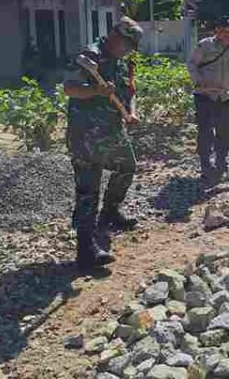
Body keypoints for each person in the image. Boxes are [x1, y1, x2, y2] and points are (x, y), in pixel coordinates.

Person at [63, 16, 143, 271]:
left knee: (127, 167)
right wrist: (95, 91)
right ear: (114, 37)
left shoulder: (122, 61)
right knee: (88, 189)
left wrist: (131, 112)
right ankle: (86, 250)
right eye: (126, 44)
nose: (128, 50)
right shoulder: (90, 56)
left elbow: (129, 91)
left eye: (131, 47)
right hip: (85, 133)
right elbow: (69, 89)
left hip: (112, 130)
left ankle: (110, 213)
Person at [187, 15, 229, 181]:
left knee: (224, 131)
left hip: (222, 96)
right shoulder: (205, 45)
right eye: (225, 31)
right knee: (205, 132)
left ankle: (221, 162)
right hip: (204, 96)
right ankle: (205, 164)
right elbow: (191, 64)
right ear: (217, 30)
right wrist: (199, 82)